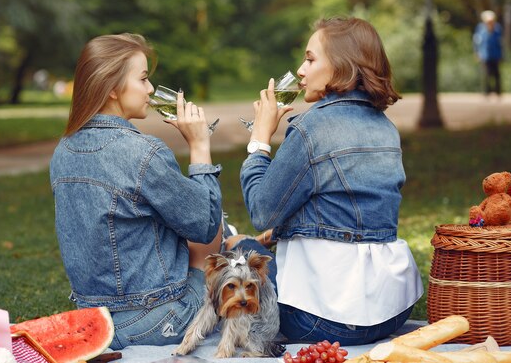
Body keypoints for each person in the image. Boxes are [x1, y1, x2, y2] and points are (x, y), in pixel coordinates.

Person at [50, 33, 272, 350]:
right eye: (143, 79)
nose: (151, 89)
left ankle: (238, 239)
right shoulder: (144, 153)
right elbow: (204, 224)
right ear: (112, 88)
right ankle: (240, 241)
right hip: (155, 319)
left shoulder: (63, 151)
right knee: (219, 231)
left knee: (200, 225)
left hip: (92, 315)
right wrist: (199, 145)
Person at [240, 17, 423, 346]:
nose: (300, 70)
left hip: (321, 321)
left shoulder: (311, 128)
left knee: (242, 250)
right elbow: (343, 206)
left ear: (342, 66)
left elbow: (262, 212)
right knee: (261, 244)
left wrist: (259, 139)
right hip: (392, 312)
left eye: (310, 59)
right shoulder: (386, 128)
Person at [473, 10, 503, 96]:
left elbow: (500, 43)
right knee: (486, 74)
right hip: (485, 55)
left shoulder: (497, 29)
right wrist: (477, 53)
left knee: (497, 74)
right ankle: (487, 92)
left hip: (495, 55)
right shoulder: (480, 28)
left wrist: (501, 55)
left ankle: (498, 91)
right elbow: (476, 42)